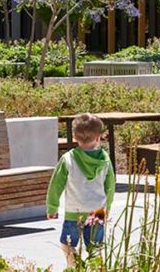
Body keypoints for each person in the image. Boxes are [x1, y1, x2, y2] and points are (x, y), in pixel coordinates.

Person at [46, 113, 115, 267]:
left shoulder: (68, 159)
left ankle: (76, 267)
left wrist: (52, 207)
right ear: (98, 138)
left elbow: (56, 185)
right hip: (97, 211)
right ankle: (97, 269)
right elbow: (110, 186)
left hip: (73, 212)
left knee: (67, 245)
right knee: (96, 248)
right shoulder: (104, 160)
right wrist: (107, 207)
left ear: (75, 137)